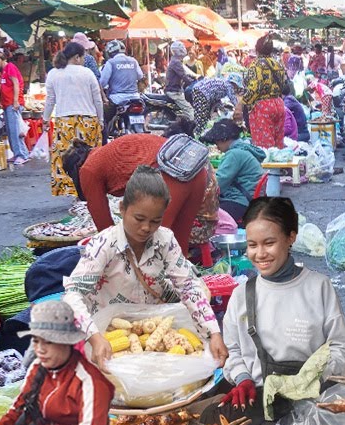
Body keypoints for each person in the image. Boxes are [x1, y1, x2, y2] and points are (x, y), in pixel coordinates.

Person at [204, 197, 345, 425]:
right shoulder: (241, 296)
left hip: (312, 410)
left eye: (269, 243)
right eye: (252, 245)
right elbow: (233, 349)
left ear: (291, 237)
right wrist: (243, 379)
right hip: (260, 408)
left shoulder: (318, 287)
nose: (260, 253)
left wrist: (312, 374)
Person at [62, 166, 225, 368]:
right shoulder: (103, 244)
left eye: (155, 221)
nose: (146, 227)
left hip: (151, 330)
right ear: (122, 209)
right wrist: (95, 338)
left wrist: (214, 333)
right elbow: (72, 295)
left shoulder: (165, 240)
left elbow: (189, 287)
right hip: (109, 332)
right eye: (139, 219)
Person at [0, 300, 114, 425]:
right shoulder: (38, 368)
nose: (40, 349)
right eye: (36, 341)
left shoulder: (90, 382)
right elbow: (20, 404)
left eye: (48, 342)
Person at [61, 123, 215, 251]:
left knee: (150, 244)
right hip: (195, 169)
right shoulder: (103, 154)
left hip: (171, 173)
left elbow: (106, 230)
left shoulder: (87, 170)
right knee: (178, 243)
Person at [45, 42, 104, 197]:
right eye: (83, 56)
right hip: (88, 121)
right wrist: (101, 119)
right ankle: (90, 189)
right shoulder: (87, 73)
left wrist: (45, 118)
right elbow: (97, 99)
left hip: (64, 123)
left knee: (66, 159)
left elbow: (50, 100)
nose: (84, 59)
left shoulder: (53, 73)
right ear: (77, 57)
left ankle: (71, 190)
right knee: (90, 157)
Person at [200, 119, 266, 222]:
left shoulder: (234, 154)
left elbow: (218, 184)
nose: (216, 145)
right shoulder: (244, 149)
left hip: (240, 202)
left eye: (217, 141)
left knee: (203, 216)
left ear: (224, 138)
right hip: (250, 198)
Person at [236, 35, 290, 149]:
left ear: (257, 49)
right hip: (279, 104)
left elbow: (254, 88)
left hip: (262, 107)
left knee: (265, 147)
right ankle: (280, 166)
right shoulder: (278, 64)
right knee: (278, 144)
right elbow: (284, 83)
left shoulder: (256, 65)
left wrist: (241, 103)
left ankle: (268, 168)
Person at [0, 48, 29, 165]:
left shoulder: (10, 67)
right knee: (11, 131)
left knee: (15, 130)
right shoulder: (3, 71)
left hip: (13, 104)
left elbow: (16, 84)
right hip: (7, 104)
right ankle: (17, 153)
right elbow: (2, 88)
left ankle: (22, 154)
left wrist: (16, 101)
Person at [99, 39, 145, 107]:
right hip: (135, 97)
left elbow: (102, 82)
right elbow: (140, 76)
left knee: (106, 114)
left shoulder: (111, 62)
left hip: (117, 98)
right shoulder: (133, 61)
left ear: (110, 52)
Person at [164, 41, 199, 122]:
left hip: (175, 89)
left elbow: (185, 73)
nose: (184, 49)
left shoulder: (176, 61)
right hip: (174, 91)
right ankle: (193, 128)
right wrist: (192, 82)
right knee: (189, 109)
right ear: (179, 50)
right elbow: (183, 76)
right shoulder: (176, 62)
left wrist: (194, 77)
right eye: (182, 48)